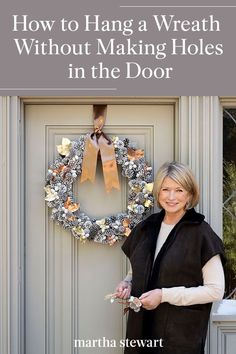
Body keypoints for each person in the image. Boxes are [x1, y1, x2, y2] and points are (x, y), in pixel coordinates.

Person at [115, 161, 225, 354]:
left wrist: (164, 295)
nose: (171, 197)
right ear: (158, 192)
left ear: (190, 194)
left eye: (179, 190)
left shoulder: (201, 233)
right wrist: (127, 283)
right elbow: (137, 269)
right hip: (140, 333)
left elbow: (215, 291)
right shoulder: (146, 228)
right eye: (166, 189)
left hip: (179, 336)